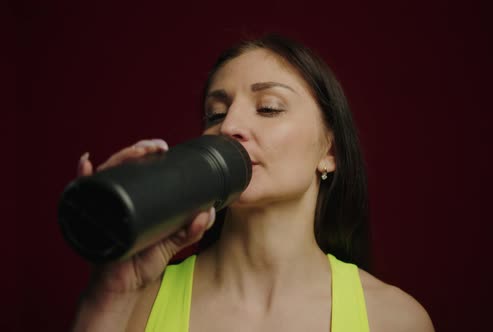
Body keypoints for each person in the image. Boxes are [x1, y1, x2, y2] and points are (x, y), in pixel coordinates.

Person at [71, 34, 434, 332]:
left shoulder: (394, 320)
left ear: (331, 151)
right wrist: (109, 294)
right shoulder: (131, 306)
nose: (229, 128)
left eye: (269, 107)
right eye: (216, 114)